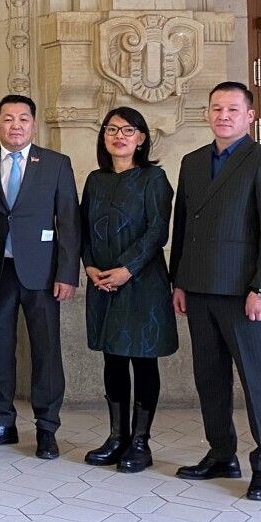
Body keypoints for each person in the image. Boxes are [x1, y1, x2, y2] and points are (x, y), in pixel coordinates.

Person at [170, 82, 261, 501]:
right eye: (216, 108)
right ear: (206, 114)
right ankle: (222, 453)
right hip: (199, 288)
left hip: (244, 294)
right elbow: (182, 228)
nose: (223, 115)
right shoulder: (191, 162)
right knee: (210, 379)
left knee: (256, 381)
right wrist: (179, 281)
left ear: (249, 116)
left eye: (233, 109)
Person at [0, 94, 80, 460]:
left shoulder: (55, 164)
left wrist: (67, 273)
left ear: (34, 124)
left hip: (43, 274)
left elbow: (69, 222)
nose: (15, 125)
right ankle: (3, 421)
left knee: (46, 350)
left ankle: (47, 428)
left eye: (22, 119)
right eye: (7, 118)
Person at [79, 106, 176, 473]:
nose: (119, 136)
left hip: (142, 283)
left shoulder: (154, 178)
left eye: (129, 130)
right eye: (112, 129)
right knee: (113, 357)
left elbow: (157, 232)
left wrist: (126, 269)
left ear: (142, 138)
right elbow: (83, 227)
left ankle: (140, 442)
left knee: (142, 358)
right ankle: (116, 437)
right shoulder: (95, 179)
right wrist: (89, 265)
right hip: (101, 281)